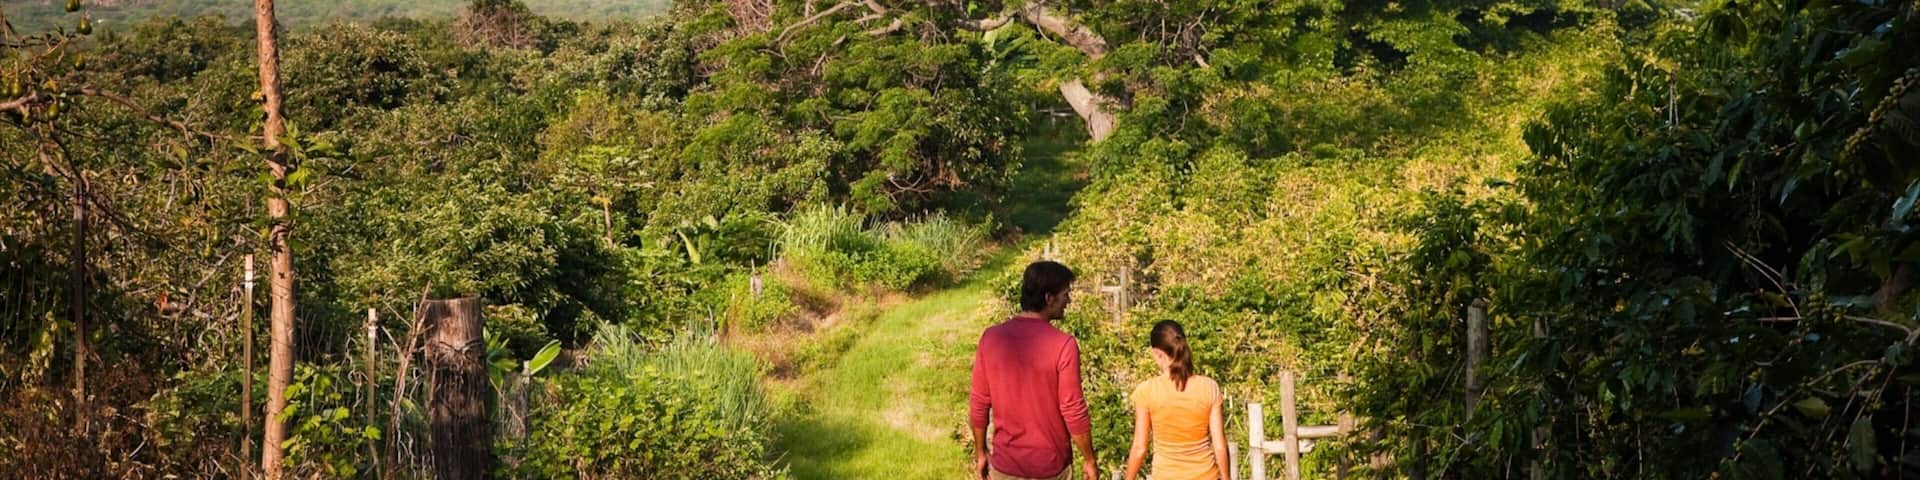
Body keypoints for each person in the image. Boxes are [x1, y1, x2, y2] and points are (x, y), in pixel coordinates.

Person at [970, 261, 1099, 480]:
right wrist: (1089, 459)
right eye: (1065, 294)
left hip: (1005, 466)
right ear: (1049, 298)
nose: (1068, 301)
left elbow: (979, 401)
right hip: (1050, 467)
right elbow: (1072, 408)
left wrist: (980, 452)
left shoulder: (991, 338)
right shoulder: (1063, 345)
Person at [1122, 320, 1228, 480]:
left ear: (1156, 353)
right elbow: (1219, 445)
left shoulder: (1147, 392)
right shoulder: (1209, 387)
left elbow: (1140, 448)